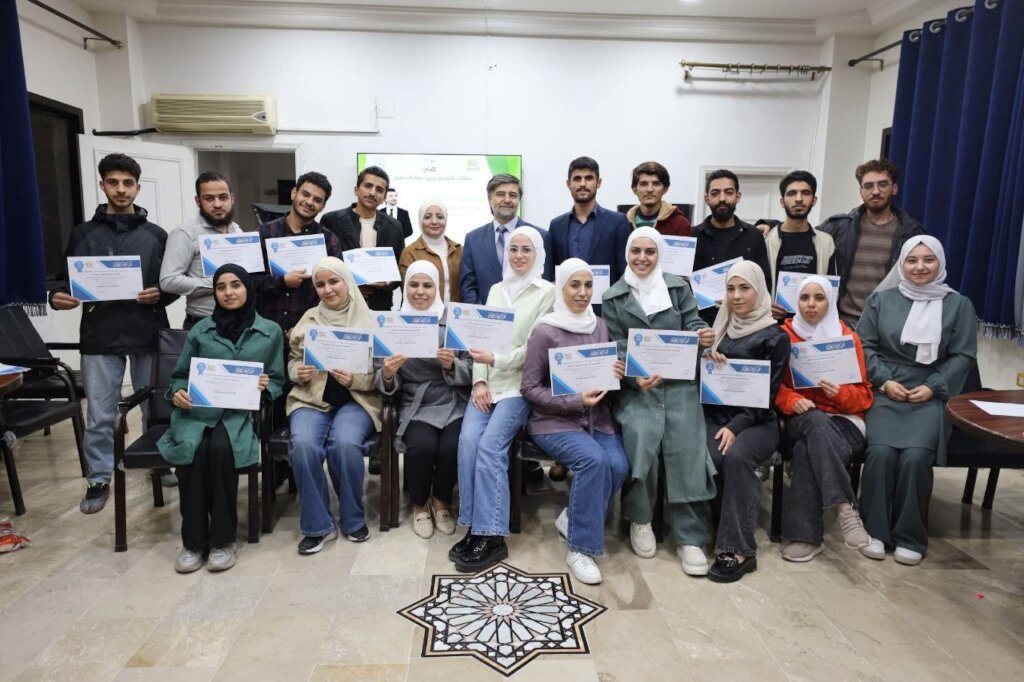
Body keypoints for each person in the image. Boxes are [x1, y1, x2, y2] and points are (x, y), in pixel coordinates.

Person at [49, 153, 176, 514]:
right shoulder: (83, 233)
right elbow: (65, 279)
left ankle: (159, 461)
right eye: (113, 182)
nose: (121, 189)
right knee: (101, 414)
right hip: (100, 334)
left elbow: (169, 282)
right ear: (102, 185)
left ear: (137, 187)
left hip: (147, 331)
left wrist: (161, 294)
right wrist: (56, 296)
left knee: (156, 406)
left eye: (128, 183)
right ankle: (99, 478)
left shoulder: (156, 235)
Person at [602, 228, 718, 576]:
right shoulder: (613, 295)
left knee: (688, 448)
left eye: (649, 252)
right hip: (638, 388)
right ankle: (640, 520)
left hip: (679, 384)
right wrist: (634, 375)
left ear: (660, 255)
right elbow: (615, 343)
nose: (642, 258)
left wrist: (701, 333)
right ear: (627, 253)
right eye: (635, 251)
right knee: (640, 438)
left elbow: (692, 322)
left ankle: (690, 536)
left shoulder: (678, 288)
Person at [856, 236, 976, 566]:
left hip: (931, 393)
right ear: (901, 264)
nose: (919, 267)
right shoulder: (880, 300)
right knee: (880, 454)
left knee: (915, 458)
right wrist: (884, 381)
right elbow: (864, 346)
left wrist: (934, 387)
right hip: (886, 390)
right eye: (911, 260)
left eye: (928, 260)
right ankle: (874, 531)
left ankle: (910, 536)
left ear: (940, 263)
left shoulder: (959, 305)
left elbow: (964, 355)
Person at [158, 265, 285, 573]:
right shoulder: (201, 330)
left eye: (236, 285)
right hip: (197, 413)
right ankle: (193, 542)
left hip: (238, 415)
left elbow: (279, 380)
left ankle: (223, 541)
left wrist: (266, 386)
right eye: (221, 287)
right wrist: (177, 393)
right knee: (193, 452)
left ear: (248, 289)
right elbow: (180, 376)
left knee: (221, 450)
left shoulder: (270, 331)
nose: (229, 292)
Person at [451, 226, 555, 572]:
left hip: (520, 386)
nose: (519, 256)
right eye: (513, 249)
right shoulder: (496, 289)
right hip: (488, 384)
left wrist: (496, 361)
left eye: (526, 250)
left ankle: (493, 536)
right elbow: (482, 339)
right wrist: (479, 380)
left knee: (490, 446)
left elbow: (534, 348)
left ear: (537, 254)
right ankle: (474, 526)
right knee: (468, 442)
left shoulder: (547, 293)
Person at [520, 258, 629, 584]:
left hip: (596, 418)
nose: (582, 293)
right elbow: (529, 387)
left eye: (588, 285)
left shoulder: (599, 325)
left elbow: (602, 375)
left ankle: (572, 517)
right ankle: (580, 550)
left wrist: (615, 373)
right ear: (561, 287)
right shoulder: (545, 330)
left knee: (618, 465)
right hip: (553, 422)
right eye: (575, 285)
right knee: (594, 461)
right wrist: (573, 400)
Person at [286, 257, 382, 554]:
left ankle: (352, 519)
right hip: (310, 399)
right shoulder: (309, 319)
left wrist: (355, 379)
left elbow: (380, 376)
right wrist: (297, 372)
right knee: (303, 445)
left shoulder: (371, 321)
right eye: (320, 284)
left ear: (347, 281)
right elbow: (292, 361)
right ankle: (318, 526)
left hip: (356, 401)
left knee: (345, 444)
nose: (328, 290)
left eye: (333, 281)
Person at [703, 261, 791, 582]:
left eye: (744, 288)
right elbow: (706, 383)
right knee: (712, 455)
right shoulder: (720, 327)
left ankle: (739, 550)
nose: (736, 296)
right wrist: (707, 359)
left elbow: (767, 396)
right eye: (730, 289)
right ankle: (719, 528)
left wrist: (736, 427)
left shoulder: (775, 337)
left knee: (737, 456)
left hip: (757, 422)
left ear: (760, 290)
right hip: (717, 416)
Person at [774, 276, 872, 562]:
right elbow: (771, 384)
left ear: (830, 302)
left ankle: (806, 538)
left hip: (844, 421)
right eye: (805, 298)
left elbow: (864, 398)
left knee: (808, 448)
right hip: (799, 416)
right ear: (796, 302)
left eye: (819, 298)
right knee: (815, 422)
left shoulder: (847, 337)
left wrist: (841, 394)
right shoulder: (783, 335)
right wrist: (791, 400)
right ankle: (844, 507)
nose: (811, 304)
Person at [376, 262, 471, 539]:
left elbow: (472, 367)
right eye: (414, 285)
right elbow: (378, 373)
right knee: (422, 447)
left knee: (453, 445)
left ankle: (441, 501)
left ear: (437, 289)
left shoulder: (453, 321)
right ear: (405, 288)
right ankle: (419, 505)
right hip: (415, 402)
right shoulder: (392, 324)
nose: (420, 291)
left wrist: (452, 365)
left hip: (452, 399)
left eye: (427, 285)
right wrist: (388, 373)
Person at [818, 159, 925, 327]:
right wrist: (771, 226)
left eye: (883, 184)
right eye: (868, 186)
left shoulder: (913, 233)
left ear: (894, 188)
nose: (875, 191)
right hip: (841, 325)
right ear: (861, 191)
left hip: (885, 327)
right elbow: (803, 238)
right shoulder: (839, 227)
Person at [257, 172, 343, 338]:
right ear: (294, 193)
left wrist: (306, 325)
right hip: (267, 332)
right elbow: (251, 281)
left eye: (317, 200)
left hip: (311, 333)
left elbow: (337, 289)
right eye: (305, 194)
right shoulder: (265, 233)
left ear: (322, 206)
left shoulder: (328, 240)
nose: (309, 202)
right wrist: (282, 281)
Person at [160, 172, 244, 329]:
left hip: (239, 321)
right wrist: (217, 284)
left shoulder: (238, 231)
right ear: (198, 201)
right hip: (203, 324)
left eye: (223, 197)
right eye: (209, 198)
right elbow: (168, 281)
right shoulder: (184, 234)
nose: (217, 204)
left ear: (232, 199)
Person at [321, 166, 405, 311]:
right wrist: (348, 286)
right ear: (356, 190)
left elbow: (399, 270)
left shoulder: (394, 227)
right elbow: (322, 266)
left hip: (379, 308)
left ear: (384, 198)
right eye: (368, 186)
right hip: (341, 307)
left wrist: (388, 283)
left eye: (379, 190)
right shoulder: (332, 222)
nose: (372, 193)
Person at [458, 173, 553, 304]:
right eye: (501, 194)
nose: (507, 200)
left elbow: (544, 281)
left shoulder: (540, 236)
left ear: (519, 200)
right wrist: (484, 314)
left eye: (513, 195)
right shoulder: (473, 239)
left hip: (529, 314)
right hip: (485, 314)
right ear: (490, 199)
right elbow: (468, 287)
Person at [693, 169, 771, 324]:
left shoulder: (754, 235)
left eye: (728, 192)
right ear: (707, 199)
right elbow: (683, 284)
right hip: (702, 322)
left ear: (738, 196)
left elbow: (764, 282)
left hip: (745, 322)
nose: (722, 198)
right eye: (715, 193)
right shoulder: (692, 236)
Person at [548, 156, 632, 289]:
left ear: (598, 183)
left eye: (588, 178)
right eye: (577, 178)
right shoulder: (556, 225)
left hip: (607, 301)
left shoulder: (618, 222)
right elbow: (551, 271)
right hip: (566, 300)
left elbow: (625, 271)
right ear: (568, 184)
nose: (582, 184)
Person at [398, 198, 462, 306]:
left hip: (455, 315)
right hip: (422, 314)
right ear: (420, 220)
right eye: (427, 217)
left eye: (440, 217)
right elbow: (408, 291)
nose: (434, 221)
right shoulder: (409, 252)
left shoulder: (459, 250)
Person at [625, 161, 692, 236]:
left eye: (656, 184)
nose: (650, 189)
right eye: (643, 184)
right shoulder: (624, 224)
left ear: (665, 189)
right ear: (634, 189)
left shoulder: (680, 224)